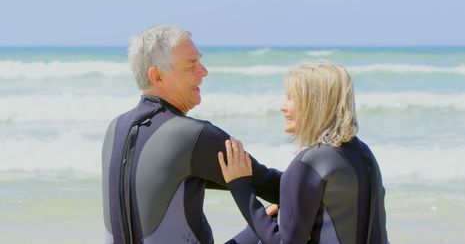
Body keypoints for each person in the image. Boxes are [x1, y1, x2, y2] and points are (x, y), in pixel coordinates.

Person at [101, 25, 281, 244]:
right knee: (284, 216)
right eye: (191, 66)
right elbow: (277, 187)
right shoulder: (192, 136)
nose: (204, 71)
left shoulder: (115, 128)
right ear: (157, 76)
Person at [218, 61, 389, 244]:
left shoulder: (310, 162)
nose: (283, 107)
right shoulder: (362, 153)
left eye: (291, 97)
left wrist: (240, 187)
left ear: (314, 104)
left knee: (262, 228)